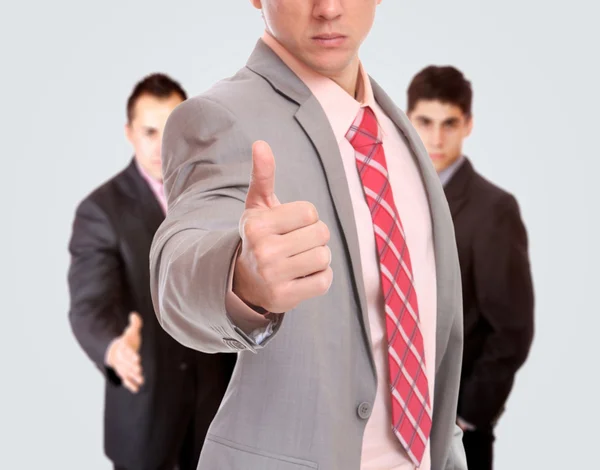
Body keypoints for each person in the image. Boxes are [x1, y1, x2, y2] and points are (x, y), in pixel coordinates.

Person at [150, 2, 467, 469]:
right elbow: (176, 264)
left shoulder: (399, 131)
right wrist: (239, 277)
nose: (329, 9)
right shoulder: (216, 117)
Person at [67, 73, 236, 470]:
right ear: (129, 133)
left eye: (172, 129)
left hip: (218, 412)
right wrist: (113, 348)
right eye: (149, 131)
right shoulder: (100, 211)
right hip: (147, 417)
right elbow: (89, 305)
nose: (161, 145)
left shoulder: (220, 197)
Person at [407, 65, 535, 469]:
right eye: (425, 122)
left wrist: (467, 415)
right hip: (390, 419)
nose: (436, 138)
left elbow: (512, 330)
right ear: (408, 120)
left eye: (449, 124)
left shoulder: (494, 210)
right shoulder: (390, 194)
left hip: (457, 428)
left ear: (468, 125)